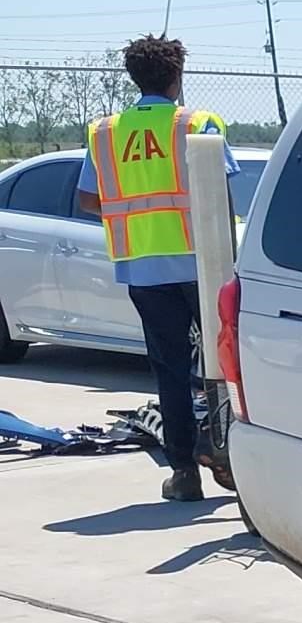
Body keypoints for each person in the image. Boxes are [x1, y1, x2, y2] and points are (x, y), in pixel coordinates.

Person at [72, 34, 236, 501]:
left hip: (142, 268)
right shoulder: (198, 122)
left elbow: (88, 199)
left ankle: (184, 474)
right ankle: (233, 459)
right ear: (177, 76)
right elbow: (220, 193)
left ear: (133, 76)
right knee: (226, 365)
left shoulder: (104, 132)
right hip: (202, 263)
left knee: (170, 372)